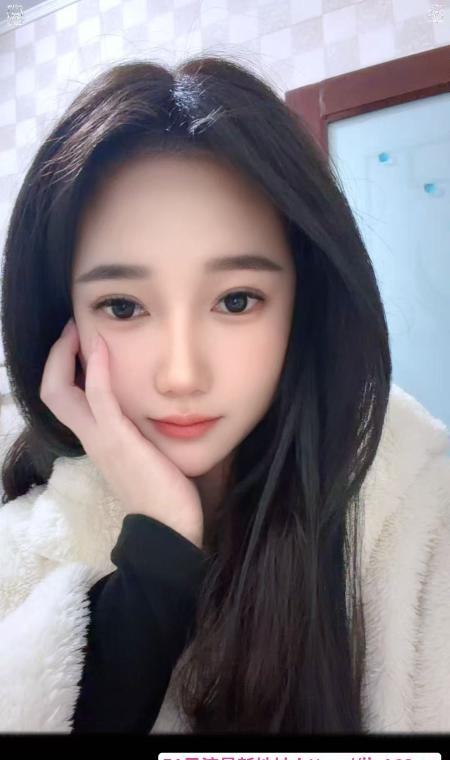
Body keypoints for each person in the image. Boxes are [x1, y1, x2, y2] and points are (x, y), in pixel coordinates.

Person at [0, 54, 449, 735]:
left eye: (237, 300)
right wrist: (158, 555)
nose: (182, 375)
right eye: (122, 306)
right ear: (66, 324)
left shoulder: (419, 518)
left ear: (303, 304)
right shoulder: (19, 552)